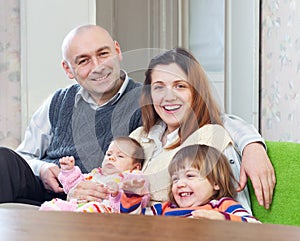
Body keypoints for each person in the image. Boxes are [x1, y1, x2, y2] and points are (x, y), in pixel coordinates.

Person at [0, 24, 274, 208]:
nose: (97, 67)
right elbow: (25, 155)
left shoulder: (145, 103)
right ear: (69, 69)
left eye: (103, 54)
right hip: (52, 193)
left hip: (97, 200)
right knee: (3, 160)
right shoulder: (58, 102)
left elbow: (208, 118)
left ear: (117, 52)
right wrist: (44, 169)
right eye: (83, 61)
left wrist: (252, 143)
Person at [129, 47, 275, 213]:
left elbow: (235, 211)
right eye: (159, 87)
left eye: (180, 86)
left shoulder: (211, 138)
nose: (169, 97)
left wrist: (252, 145)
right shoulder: (139, 137)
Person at [120, 144, 261, 223]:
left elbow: (256, 228)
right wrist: (132, 195)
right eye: (175, 179)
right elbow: (134, 221)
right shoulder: (164, 208)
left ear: (216, 183)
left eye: (190, 175)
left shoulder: (222, 206)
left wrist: (223, 219)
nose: (180, 184)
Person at [40, 136, 149, 213]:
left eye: (120, 156)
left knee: (92, 208)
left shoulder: (132, 177)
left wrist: (120, 193)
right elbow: (73, 187)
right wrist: (69, 171)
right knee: (55, 204)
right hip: (77, 205)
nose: (111, 158)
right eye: (109, 154)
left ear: (136, 166)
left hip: (104, 210)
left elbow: (138, 199)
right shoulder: (97, 174)